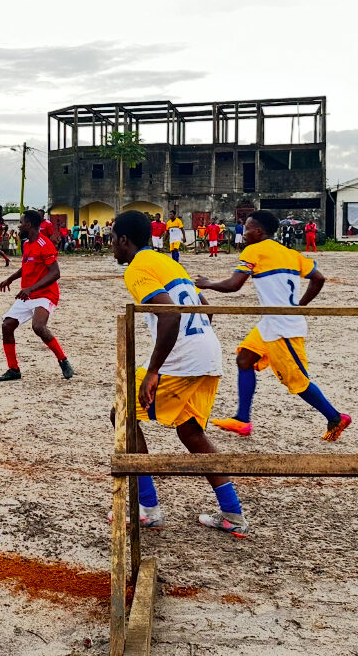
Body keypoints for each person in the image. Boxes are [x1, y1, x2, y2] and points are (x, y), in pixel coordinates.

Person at [110, 210, 247, 537]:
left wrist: (156, 369)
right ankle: (233, 514)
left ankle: (147, 508)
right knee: (190, 431)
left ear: (125, 241)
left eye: (113, 240)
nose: (111, 245)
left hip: (183, 356)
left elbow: (169, 316)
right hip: (208, 352)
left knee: (122, 415)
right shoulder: (168, 262)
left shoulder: (138, 268)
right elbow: (203, 306)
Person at [196, 210, 351, 442]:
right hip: (272, 321)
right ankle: (242, 419)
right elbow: (318, 277)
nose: (244, 233)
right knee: (245, 359)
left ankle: (335, 417)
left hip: (283, 327)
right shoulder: (290, 253)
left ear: (259, 232)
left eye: (246, 228)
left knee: (297, 381)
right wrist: (300, 305)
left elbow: (234, 285)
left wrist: (208, 284)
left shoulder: (254, 250)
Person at [0, 210, 72, 381]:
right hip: (28, 294)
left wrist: (30, 289)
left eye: (21, 222)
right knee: (7, 325)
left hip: (46, 294)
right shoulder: (27, 244)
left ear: (28, 225)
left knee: (38, 327)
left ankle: (63, 360)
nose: (19, 225)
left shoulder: (45, 244)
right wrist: (10, 279)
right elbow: (27, 267)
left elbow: (55, 273)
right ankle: (13, 370)